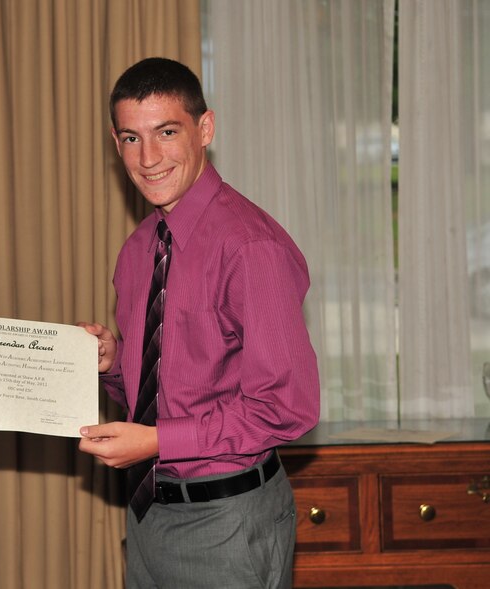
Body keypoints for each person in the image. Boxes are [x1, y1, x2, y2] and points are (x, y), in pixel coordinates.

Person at [77, 57, 320, 588]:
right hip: (147, 516)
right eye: (130, 138)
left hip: (229, 521)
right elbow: (163, 386)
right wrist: (113, 362)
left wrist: (158, 441)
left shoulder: (251, 247)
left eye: (167, 132)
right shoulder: (139, 249)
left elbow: (285, 408)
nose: (149, 158)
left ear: (205, 129)